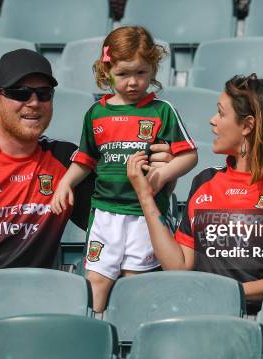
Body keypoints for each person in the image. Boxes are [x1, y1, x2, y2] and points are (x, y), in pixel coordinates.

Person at [0, 48, 174, 306]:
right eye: (19, 93)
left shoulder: (67, 160)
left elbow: (123, 216)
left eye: (43, 93)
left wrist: (162, 179)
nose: (33, 102)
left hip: (41, 307)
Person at [127, 74, 263, 311]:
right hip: (201, 314)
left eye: (221, 113)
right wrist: (145, 197)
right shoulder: (204, 180)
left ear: (247, 125)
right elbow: (179, 266)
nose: (212, 121)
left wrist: (232, 294)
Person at [51, 26, 198, 312]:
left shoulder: (162, 110)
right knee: (96, 279)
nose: (133, 82)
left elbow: (189, 156)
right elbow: (85, 159)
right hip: (105, 212)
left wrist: (161, 175)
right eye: (123, 74)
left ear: (153, 69)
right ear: (106, 71)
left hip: (145, 214)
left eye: (141, 73)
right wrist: (64, 184)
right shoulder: (96, 113)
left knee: (136, 283)